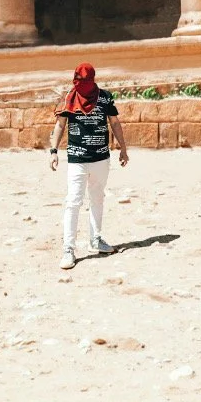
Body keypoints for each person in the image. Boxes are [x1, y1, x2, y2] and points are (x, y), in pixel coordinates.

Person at [49, 62, 128, 270]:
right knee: (73, 201)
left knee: (97, 198)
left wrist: (123, 148)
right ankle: (68, 248)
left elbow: (115, 122)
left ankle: (96, 239)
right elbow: (60, 125)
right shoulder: (69, 97)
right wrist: (54, 151)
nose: (82, 85)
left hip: (101, 157)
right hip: (77, 159)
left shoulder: (105, 97)